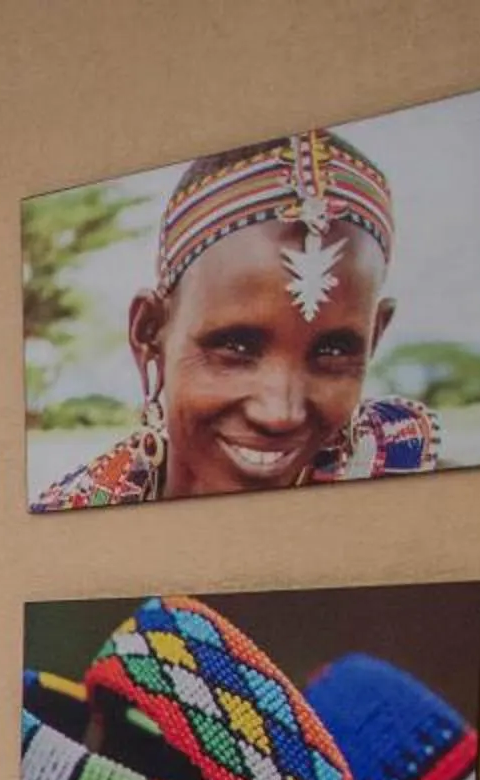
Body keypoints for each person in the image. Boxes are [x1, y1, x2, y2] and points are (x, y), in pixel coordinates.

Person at [34, 126, 440, 509]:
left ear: (375, 337)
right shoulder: (81, 507)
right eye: (236, 347)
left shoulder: (407, 474)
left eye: (333, 351)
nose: (280, 413)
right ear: (150, 332)